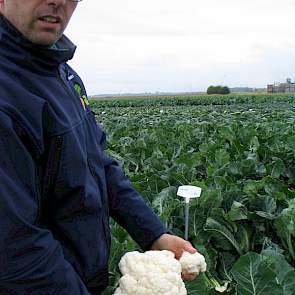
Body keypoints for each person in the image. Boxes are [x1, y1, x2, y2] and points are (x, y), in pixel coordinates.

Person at [0, 0, 197, 294]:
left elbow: (98, 163)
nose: (58, 2)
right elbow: (18, 251)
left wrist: (153, 233)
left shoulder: (61, 72)